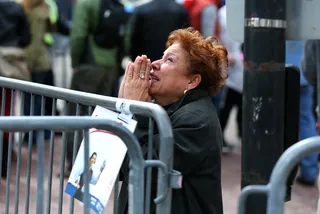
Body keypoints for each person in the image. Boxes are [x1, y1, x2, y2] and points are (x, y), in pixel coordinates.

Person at [119, 27, 226, 214]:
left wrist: (138, 111)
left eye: (169, 60)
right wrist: (125, 110)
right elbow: (120, 166)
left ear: (192, 81)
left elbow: (145, 171)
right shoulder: (167, 109)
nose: (155, 64)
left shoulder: (196, 121)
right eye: (161, 57)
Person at [0, 0, 31, 178]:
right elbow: (26, 37)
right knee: (7, 110)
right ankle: (4, 162)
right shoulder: (17, 7)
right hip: (10, 64)